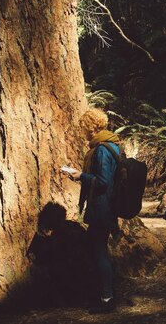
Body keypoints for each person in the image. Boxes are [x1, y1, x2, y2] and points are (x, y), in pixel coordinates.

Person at [62, 108, 121, 314]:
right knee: (95, 248)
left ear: (90, 127)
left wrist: (80, 176)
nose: (82, 132)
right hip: (107, 207)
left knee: (99, 251)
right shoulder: (113, 144)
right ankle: (105, 293)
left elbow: (103, 181)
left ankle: (107, 299)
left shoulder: (102, 149)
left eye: (84, 128)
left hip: (102, 208)